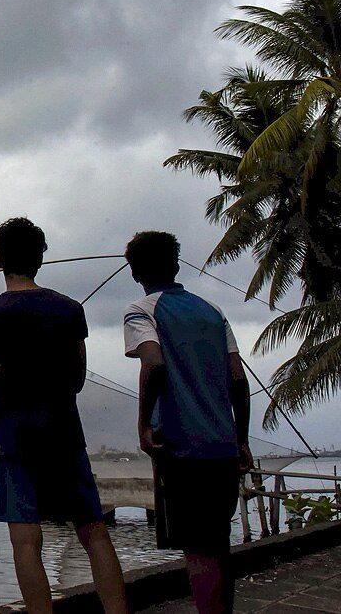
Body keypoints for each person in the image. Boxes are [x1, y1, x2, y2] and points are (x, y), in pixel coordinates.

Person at [0, 217, 127, 614]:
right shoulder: (70, 310)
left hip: (11, 435)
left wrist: (3, 377)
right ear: (41, 259)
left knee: (25, 540)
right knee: (94, 532)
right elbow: (77, 380)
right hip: (63, 432)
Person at [122, 231, 252, 614]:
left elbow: (154, 364)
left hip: (180, 445)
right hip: (222, 445)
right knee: (218, 543)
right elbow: (238, 379)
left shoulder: (140, 311)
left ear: (134, 272)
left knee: (198, 551)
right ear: (177, 265)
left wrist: (144, 425)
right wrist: (241, 439)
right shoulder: (213, 311)